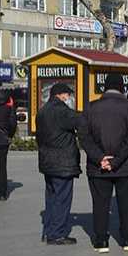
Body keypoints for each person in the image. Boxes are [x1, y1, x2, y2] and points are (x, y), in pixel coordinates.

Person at [79, 73, 128, 253]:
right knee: (126, 203)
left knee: (100, 203)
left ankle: (101, 241)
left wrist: (100, 158)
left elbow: (83, 135)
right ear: (122, 87)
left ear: (104, 88)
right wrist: (116, 161)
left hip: (98, 167)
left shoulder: (90, 107)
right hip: (125, 166)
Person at [35, 83, 80, 245]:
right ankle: (57, 234)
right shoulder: (61, 111)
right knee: (62, 198)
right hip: (63, 163)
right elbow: (79, 120)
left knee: (52, 198)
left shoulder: (42, 111)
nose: (69, 97)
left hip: (47, 161)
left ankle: (49, 230)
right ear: (60, 95)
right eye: (68, 94)